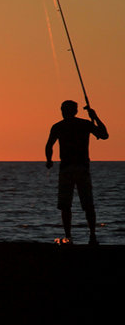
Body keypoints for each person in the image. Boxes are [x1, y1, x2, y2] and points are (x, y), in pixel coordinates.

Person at [46, 100, 109, 245]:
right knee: (88, 204)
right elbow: (104, 134)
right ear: (75, 111)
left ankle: (68, 237)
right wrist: (96, 117)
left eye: (62, 109)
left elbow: (49, 145)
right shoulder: (85, 124)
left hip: (67, 169)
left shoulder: (59, 126)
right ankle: (92, 236)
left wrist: (49, 160)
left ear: (63, 110)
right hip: (82, 168)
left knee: (65, 205)